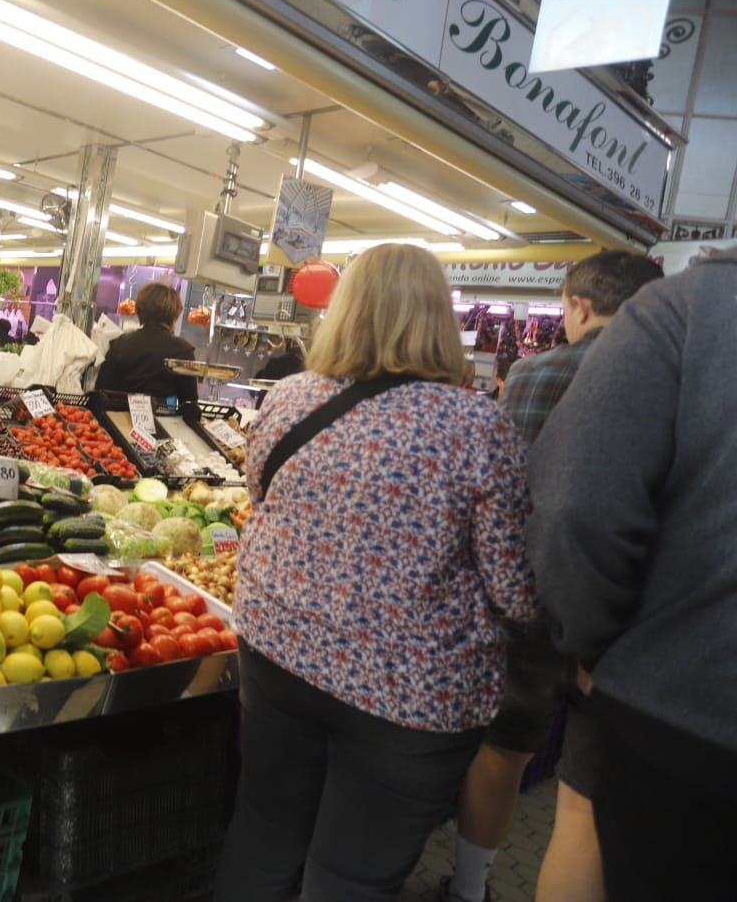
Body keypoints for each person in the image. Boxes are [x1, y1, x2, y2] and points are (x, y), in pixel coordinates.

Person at [215, 244, 534, 902]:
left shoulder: (290, 396)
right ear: (436, 318)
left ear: (344, 311)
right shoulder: (478, 425)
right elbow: (513, 589)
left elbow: (258, 493)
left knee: (265, 832)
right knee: (352, 873)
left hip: (278, 650)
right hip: (408, 693)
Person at [444, 251, 663, 902]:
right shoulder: (665, 379)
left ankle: (467, 886)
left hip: (521, 595)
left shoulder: (533, 373)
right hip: (620, 613)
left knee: (502, 753)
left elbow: (497, 484)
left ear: (577, 306)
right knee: (585, 788)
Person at [525, 247, 737, 899]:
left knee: (583, 825)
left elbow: (576, 505)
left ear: (579, 304)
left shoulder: (687, 310)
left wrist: (587, 644)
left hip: (672, 709)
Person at [94, 283, 196, 403]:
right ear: (174, 314)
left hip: (119, 418)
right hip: (163, 419)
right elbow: (190, 402)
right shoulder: (184, 350)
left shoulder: (120, 344)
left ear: (139, 310)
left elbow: (101, 391)